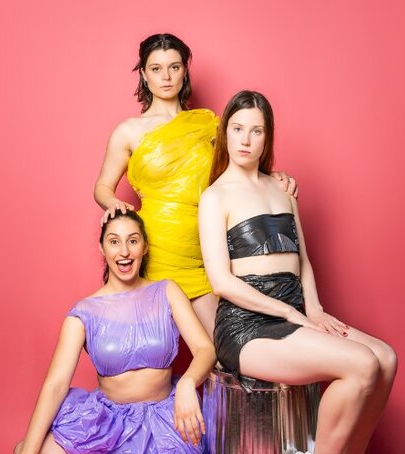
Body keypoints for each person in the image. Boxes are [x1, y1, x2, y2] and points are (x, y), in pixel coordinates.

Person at [198, 90, 398, 454]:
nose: (246, 139)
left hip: (295, 309)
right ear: (224, 132)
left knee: (385, 358)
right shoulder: (215, 197)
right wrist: (292, 316)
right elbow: (222, 282)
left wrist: (316, 309)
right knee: (361, 364)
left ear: (267, 137)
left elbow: (303, 261)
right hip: (247, 325)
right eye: (237, 129)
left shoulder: (282, 188)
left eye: (256, 130)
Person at [13, 210, 215, 454]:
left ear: (145, 247)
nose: (124, 251)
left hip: (163, 426)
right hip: (110, 426)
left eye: (133, 241)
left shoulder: (165, 292)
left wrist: (187, 386)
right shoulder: (84, 312)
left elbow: (204, 349)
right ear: (102, 249)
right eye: (115, 241)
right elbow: (56, 383)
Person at [93, 33, 298, 333]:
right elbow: (101, 187)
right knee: (147, 347)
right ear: (144, 74)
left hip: (204, 249)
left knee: (222, 349)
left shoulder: (208, 124)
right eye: (156, 68)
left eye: (174, 67)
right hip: (155, 249)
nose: (166, 76)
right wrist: (113, 202)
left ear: (185, 72)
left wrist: (273, 175)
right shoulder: (128, 132)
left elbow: (242, 164)